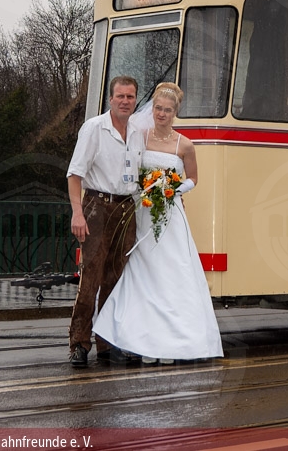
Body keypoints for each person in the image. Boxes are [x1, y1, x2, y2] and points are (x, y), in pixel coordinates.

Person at [93, 82, 224, 364]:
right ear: (152, 109)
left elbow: (193, 178)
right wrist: (144, 189)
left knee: (171, 271)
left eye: (167, 110)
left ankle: (176, 341)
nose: (161, 114)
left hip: (170, 213)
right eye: (157, 109)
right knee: (143, 274)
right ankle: (142, 340)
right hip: (143, 211)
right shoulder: (140, 136)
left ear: (176, 112)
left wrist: (171, 189)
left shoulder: (185, 144)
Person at [66, 75, 142, 367]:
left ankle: (108, 343)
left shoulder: (136, 131)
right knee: (91, 277)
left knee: (115, 280)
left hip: (126, 210)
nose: (125, 101)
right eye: (120, 96)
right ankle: (79, 343)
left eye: (130, 97)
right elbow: (75, 175)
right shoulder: (95, 128)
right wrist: (77, 213)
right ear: (110, 99)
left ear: (136, 100)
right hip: (97, 206)